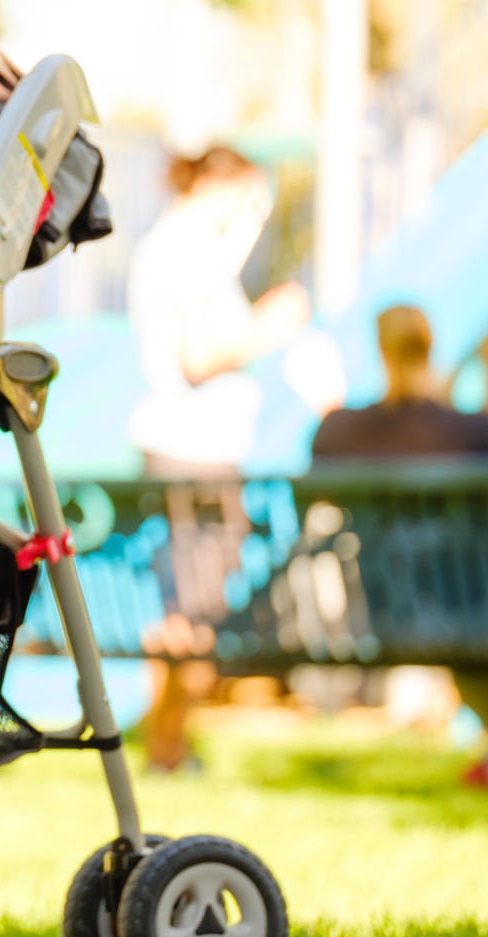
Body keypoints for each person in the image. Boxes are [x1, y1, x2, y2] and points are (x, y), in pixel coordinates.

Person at [127, 146, 313, 771]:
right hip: (196, 453)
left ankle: (168, 744)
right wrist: (271, 326)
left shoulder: (178, 247)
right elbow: (196, 356)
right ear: (220, 186)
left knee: (188, 609)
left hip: (195, 451)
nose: (254, 219)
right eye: (251, 202)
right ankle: (167, 746)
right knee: (196, 614)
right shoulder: (182, 249)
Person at [311, 306, 488, 791]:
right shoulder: (481, 432)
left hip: (389, 612)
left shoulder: (341, 432)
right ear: (430, 347)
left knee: (478, 648)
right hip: (476, 609)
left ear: (381, 350)